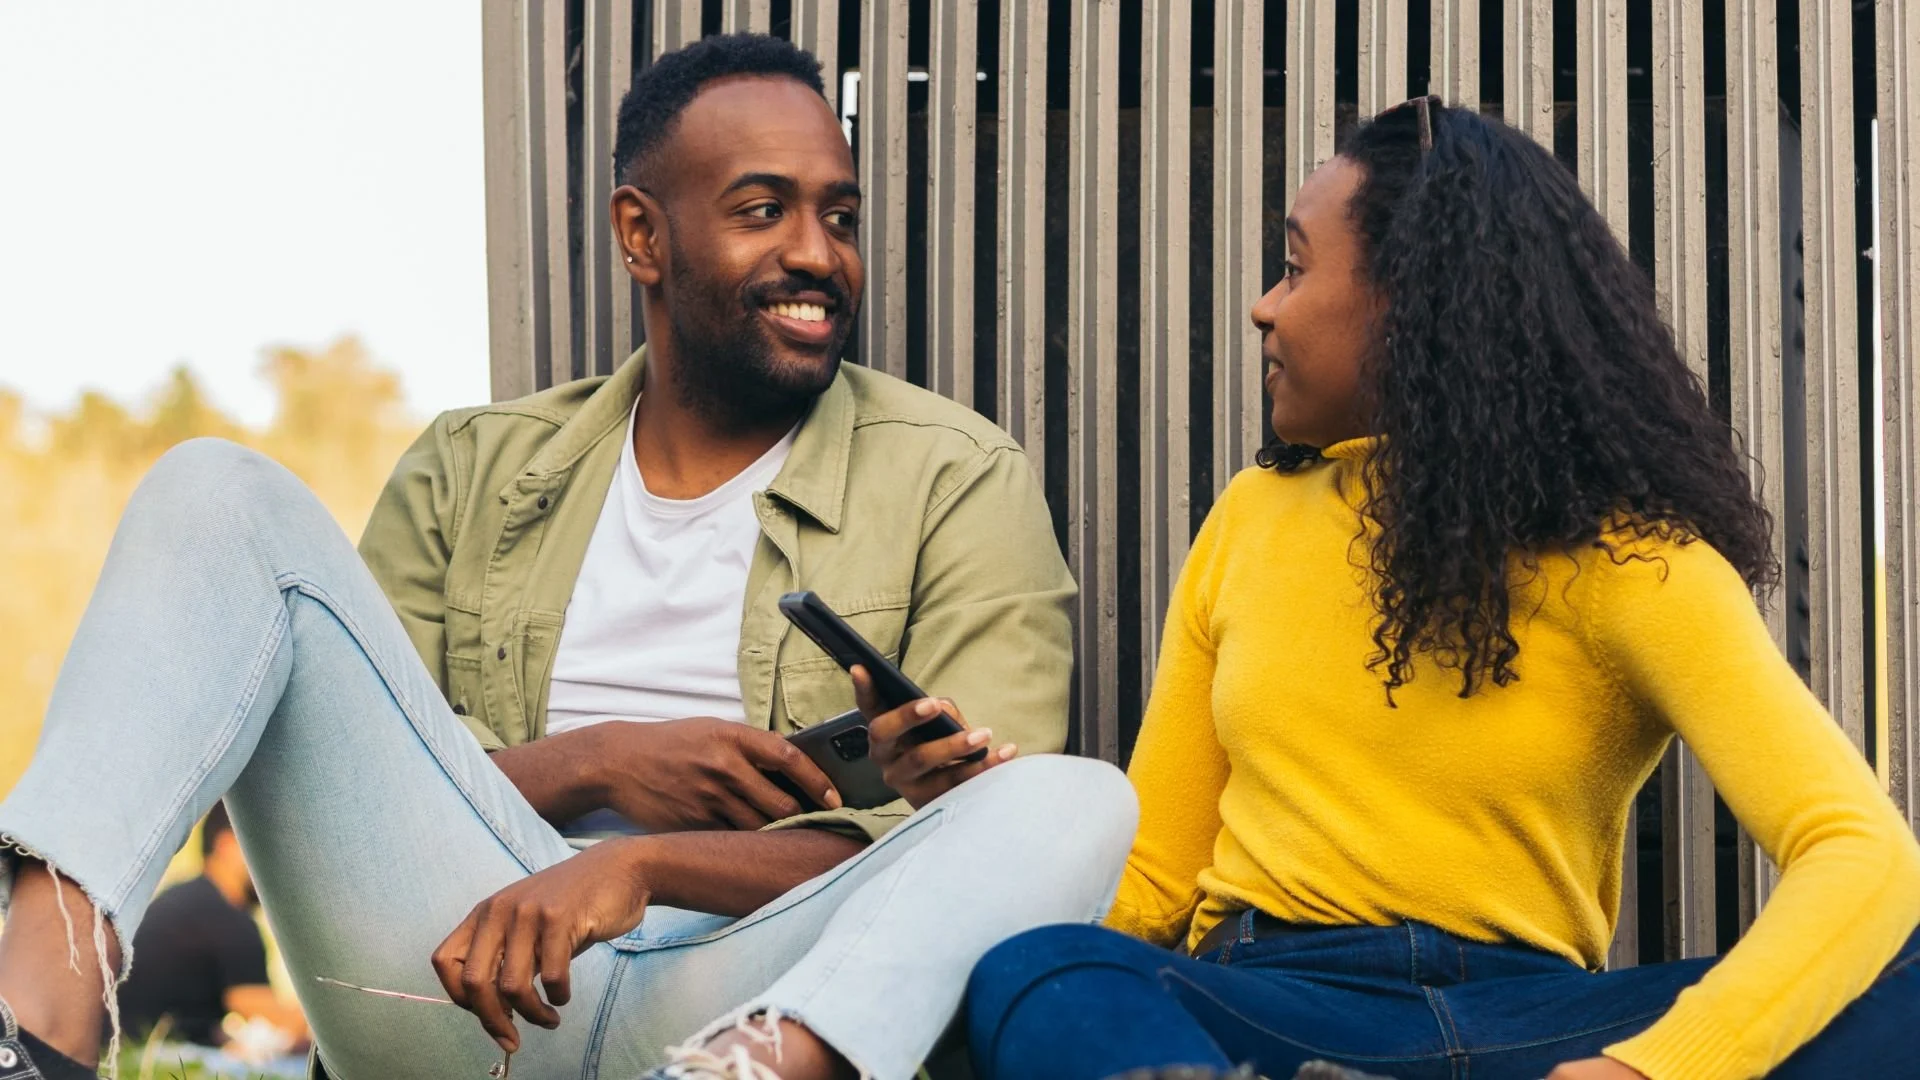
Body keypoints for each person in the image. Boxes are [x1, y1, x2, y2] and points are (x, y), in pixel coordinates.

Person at [0, 34, 1136, 1080]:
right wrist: (597, 766)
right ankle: (33, 1034)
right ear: (643, 233)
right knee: (212, 487)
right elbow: (342, 785)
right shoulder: (469, 466)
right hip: (459, 963)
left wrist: (640, 867)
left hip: (754, 983)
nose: (816, 254)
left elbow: (954, 862)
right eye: (763, 210)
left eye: (838, 216)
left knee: (1071, 802)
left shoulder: (956, 476)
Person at [965, 97, 1920, 1080]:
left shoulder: (1640, 562)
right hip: (1282, 1007)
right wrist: (980, 845)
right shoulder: (1252, 517)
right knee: (1043, 969)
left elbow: (1863, 854)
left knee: (1908, 970)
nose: (1264, 305)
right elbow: (1155, 881)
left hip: (1539, 1027)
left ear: (1411, 305)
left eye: (1295, 268)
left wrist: (1652, 1069)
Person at [120, 803, 308, 1052]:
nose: (275, 867)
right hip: (162, 1052)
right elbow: (278, 1021)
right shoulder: (228, 919)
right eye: (265, 850)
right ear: (226, 845)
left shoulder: (182, 898)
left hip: (127, 1046)